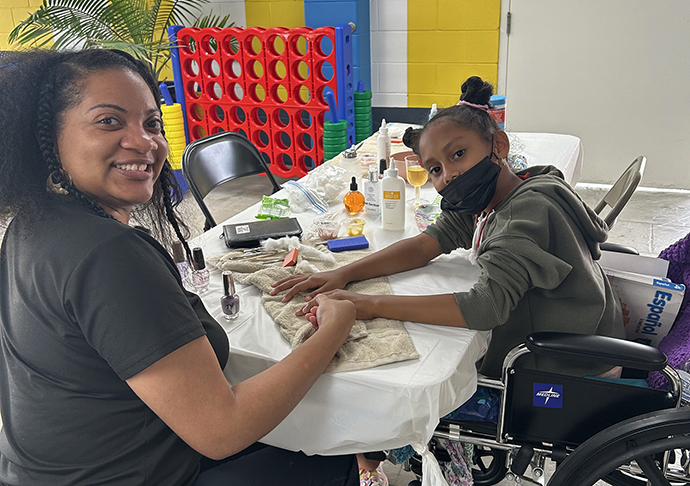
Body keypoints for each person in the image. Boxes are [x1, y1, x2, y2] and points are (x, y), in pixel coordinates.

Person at [0, 48, 358, 486]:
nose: (145, 142)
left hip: (47, 472)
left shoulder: (31, 226)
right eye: (109, 121)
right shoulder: (106, 253)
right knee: (333, 451)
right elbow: (221, 430)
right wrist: (334, 329)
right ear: (47, 138)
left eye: (152, 123)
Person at [273, 76, 627, 476]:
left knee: (388, 393)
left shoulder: (521, 216)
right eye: (435, 169)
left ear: (499, 146)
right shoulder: (505, 192)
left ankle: (365, 467)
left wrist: (367, 304)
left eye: (458, 154)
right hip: (581, 335)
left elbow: (485, 307)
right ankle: (367, 466)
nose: (448, 176)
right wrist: (344, 273)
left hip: (563, 369)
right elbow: (430, 242)